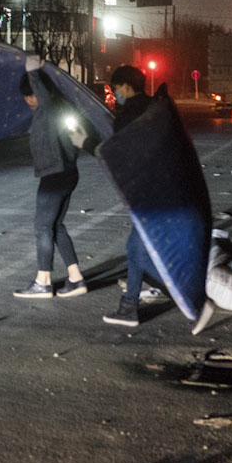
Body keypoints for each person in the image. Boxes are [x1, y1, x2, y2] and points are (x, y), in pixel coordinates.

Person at [68, 64, 155, 326]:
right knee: (144, 243)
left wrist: (85, 143)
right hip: (162, 182)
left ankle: (130, 306)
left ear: (126, 86)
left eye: (116, 89)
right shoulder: (155, 106)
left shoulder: (129, 114)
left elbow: (116, 155)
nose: (115, 94)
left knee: (136, 247)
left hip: (142, 186)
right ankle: (152, 286)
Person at [12, 55, 87, 299]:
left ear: (40, 92)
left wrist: (33, 72)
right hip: (67, 173)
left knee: (42, 226)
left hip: (54, 176)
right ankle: (76, 279)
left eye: (30, 94)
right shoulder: (64, 109)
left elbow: (43, 98)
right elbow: (79, 137)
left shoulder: (50, 108)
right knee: (55, 226)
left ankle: (43, 281)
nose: (28, 100)